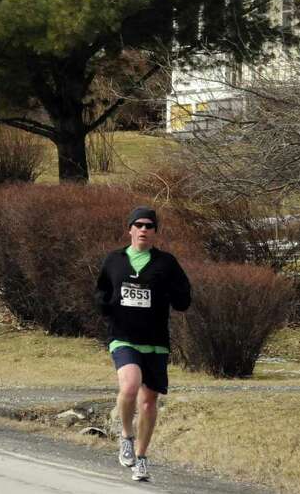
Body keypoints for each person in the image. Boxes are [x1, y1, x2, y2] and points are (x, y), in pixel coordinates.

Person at [95, 207, 192, 483]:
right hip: (123, 336)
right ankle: (126, 436)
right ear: (130, 229)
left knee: (149, 404)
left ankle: (141, 458)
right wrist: (103, 304)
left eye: (149, 226)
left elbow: (184, 298)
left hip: (156, 342)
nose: (143, 230)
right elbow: (102, 289)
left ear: (155, 232)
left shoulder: (166, 263)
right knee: (129, 385)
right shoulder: (115, 260)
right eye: (138, 225)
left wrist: (171, 292)